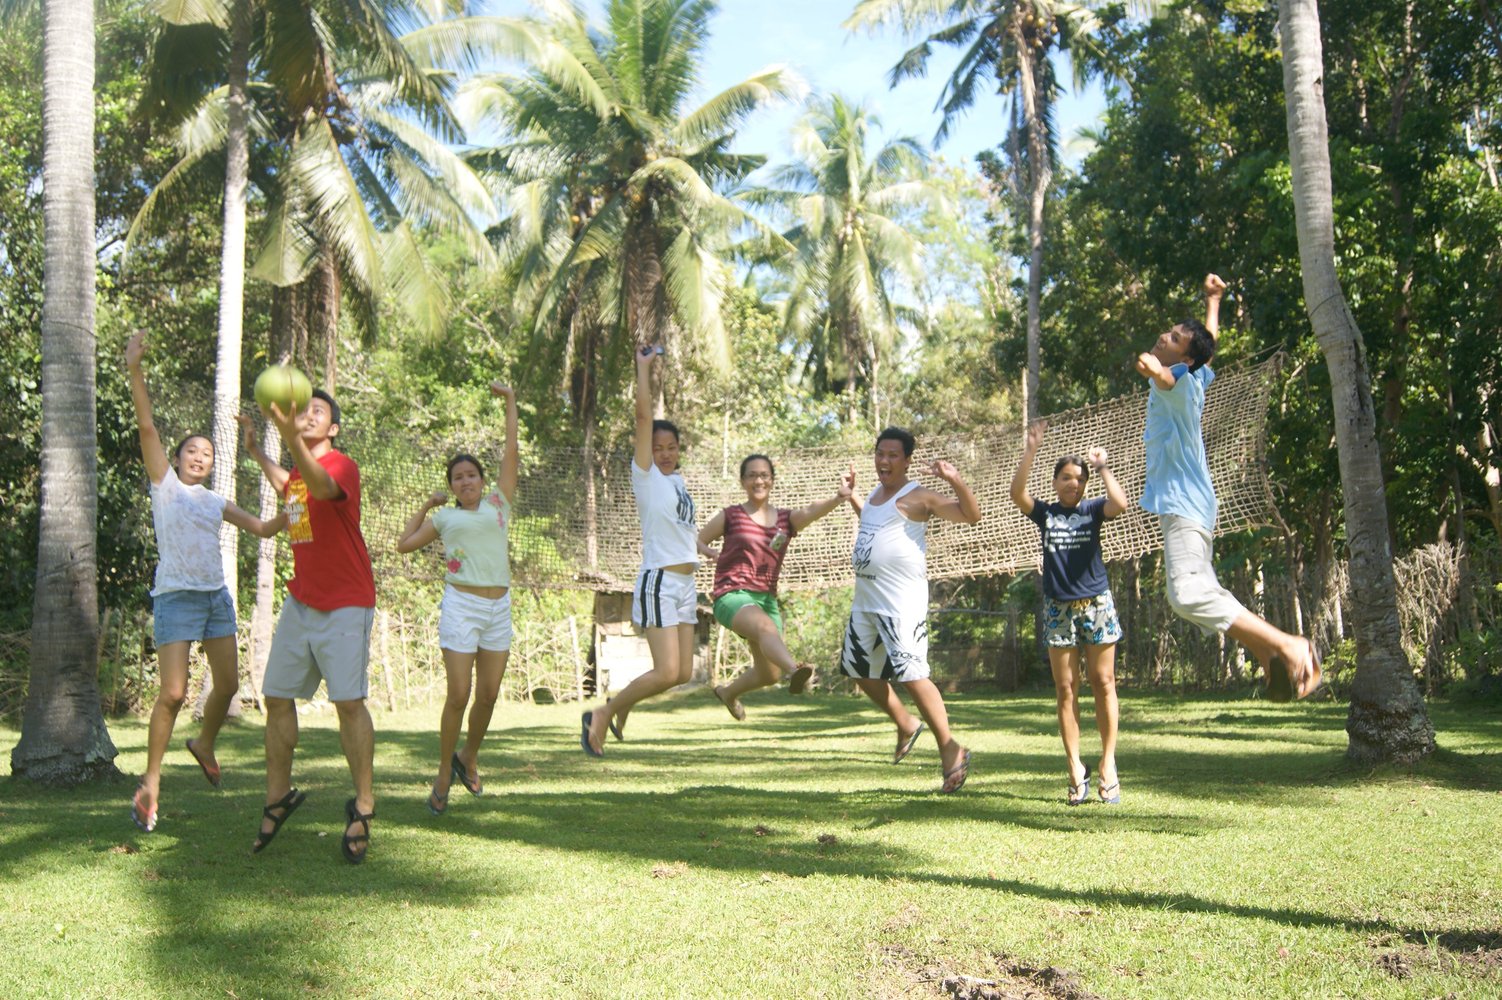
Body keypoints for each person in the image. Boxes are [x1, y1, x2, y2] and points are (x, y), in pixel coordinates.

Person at [124, 331, 284, 833]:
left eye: (208, 454)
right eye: (192, 451)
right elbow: (147, 425)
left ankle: (204, 743)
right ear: (174, 460)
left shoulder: (215, 502)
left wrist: (299, 512)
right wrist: (134, 368)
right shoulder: (165, 488)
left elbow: (261, 527)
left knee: (230, 684)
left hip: (215, 599)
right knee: (172, 693)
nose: (200, 457)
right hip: (175, 598)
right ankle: (151, 782)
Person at [1135, 273, 1321, 701]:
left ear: (1183, 358)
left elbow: (1166, 376)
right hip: (1194, 504)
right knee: (1201, 593)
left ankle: (1290, 646)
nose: (1166, 335)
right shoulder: (1197, 378)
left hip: (1184, 504)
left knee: (1185, 594)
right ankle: (1270, 656)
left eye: (1174, 337)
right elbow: (1207, 345)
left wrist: (1151, 365)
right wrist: (1213, 302)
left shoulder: (1178, 383)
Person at [238, 387, 378, 863]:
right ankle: (278, 797)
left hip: (346, 602)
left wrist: (285, 435)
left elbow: (318, 485)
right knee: (275, 696)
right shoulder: (298, 475)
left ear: (333, 428)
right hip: (301, 600)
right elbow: (290, 485)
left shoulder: (342, 466)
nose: (308, 415)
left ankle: (363, 804)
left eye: (317, 411)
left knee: (348, 703)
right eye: (303, 412)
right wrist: (258, 450)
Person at [396, 382, 519, 816]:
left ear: (483, 481)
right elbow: (404, 544)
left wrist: (509, 402)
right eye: (457, 477)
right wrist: (425, 505)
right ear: (451, 485)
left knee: (488, 695)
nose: (465, 481)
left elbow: (510, 453)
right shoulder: (444, 517)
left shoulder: (499, 504)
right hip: (461, 608)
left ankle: (468, 756)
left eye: (471, 475)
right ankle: (443, 774)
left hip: (498, 609)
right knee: (459, 694)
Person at [842, 427, 980, 793]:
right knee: (858, 670)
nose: (883, 461)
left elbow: (971, 515)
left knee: (912, 675)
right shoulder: (874, 494)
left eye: (892, 456)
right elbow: (874, 523)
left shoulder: (918, 496)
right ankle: (905, 723)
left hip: (900, 604)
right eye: (879, 454)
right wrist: (853, 496)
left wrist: (955, 479)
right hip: (866, 602)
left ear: (906, 460)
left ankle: (951, 748)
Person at [581, 344, 698, 756]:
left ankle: (620, 706)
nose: (665, 453)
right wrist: (643, 367)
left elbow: (682, 530)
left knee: (682, 673)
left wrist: (702, 549)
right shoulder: (645, 476)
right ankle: (604, 712)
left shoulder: (678, 483)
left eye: (671, 447)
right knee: (666, 670)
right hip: (661, 581)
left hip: (687, 582)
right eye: (658, 447)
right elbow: (644, 417)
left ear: (679, 449)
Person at [1010, 420, 1129, 805]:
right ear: (1055, 481)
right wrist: (1030, 450)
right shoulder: (1045, 514)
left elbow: (1121, 504)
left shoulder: (1094, 510)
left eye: (1078, 479)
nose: (1072, 484)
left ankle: (1108, 764)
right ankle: (1075, 768)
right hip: (1057, 608)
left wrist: (1104, 467)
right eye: (1065, 477)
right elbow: (1017, 493)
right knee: (1065, 690)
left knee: (1103, 682)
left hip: (1096, 604)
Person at [699, 455, 855, 721]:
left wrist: (839, 496)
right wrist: (711, 552)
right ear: (742, 481)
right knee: (766, 629)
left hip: (766, 599)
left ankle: (728, 693)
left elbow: (810, 511)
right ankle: (796, 669)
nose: (758, 480)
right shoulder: (731, 515)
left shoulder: (785, 520)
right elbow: (698, 539)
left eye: (764, 475)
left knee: (770, 673)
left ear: (771, 480)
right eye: (751, 475)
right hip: (732, 594)